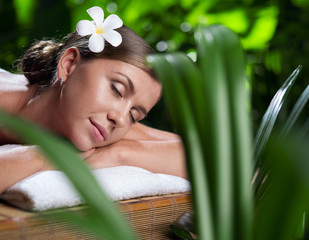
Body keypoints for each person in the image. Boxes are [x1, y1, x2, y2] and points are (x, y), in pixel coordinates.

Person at [0, 6, 187, 194]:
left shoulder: (102, 120)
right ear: (69, 64)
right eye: (117, 89)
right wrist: (47, 155)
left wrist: (117, 155)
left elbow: (205, 155)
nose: (121, 119)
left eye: (134, 115)